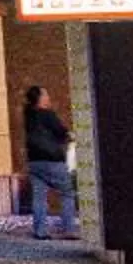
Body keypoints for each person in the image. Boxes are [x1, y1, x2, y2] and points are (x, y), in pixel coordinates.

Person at [22, 84, 80, 239]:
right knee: (67, 193)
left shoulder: (28, 115)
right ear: (39, 99)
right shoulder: (47, 115)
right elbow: (61, 132)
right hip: (52, 160)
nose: (48, 97)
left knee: (39, 196)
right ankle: (68, 229)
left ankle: (40, 231)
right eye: (45, 95)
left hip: (34, 162)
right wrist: (70, 136)